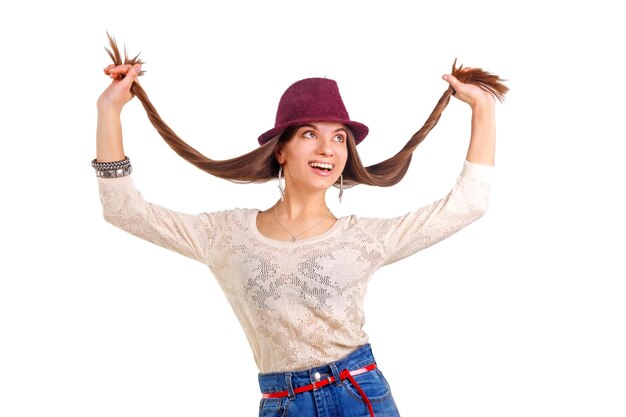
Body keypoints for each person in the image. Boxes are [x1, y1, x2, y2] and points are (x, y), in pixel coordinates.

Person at [95, 56, 500, 416]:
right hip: (282, 404)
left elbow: (468, 204)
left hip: (359, 394)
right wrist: (109, 109)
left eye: (339, 137)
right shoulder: (225, 235)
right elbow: (124, 211)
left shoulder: (363, 239)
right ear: (281, 151)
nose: (328, 148)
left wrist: (482, 108)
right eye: (310, 134)